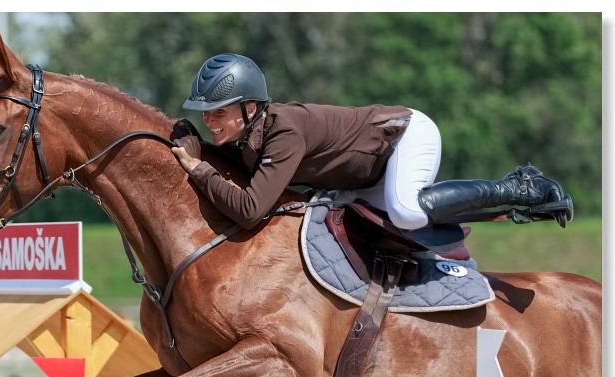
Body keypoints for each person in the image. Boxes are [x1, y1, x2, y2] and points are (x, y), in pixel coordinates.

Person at [171, 53, 573, 232]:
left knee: (408, 213)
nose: (209, 122)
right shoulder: (249, 133)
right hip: (364, 178)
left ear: (250, 107)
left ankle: (516, 186)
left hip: (405, 137)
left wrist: (198, 167)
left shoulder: (284, 130)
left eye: (218, 113)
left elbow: (250, 209)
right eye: (205, 113)